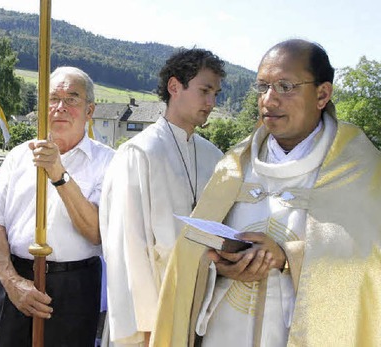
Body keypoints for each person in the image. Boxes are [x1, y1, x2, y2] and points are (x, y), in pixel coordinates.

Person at [151, 39, 381, 347]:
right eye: (263, 87)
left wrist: (288, 257)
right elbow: (190, 257)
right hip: (223, 331)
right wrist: (216, 263)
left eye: (285, 87)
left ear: (322, 94)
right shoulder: (234, 164)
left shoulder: (359, 167)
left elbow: (370, 265)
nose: (269, 101)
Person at [0, 66, 115, 346]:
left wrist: (58, 174)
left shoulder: (109, 162)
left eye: (72, 99)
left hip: (74, 287)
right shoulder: (18, 156)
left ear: (90, 110)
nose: (60, 107)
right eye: (53, 99)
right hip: (15, 279)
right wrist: (12, 283)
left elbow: (97, 233)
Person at [99, 48, 226, 346]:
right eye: (204, 90)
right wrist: (143, 328)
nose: (211, 103)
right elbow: (126, 248)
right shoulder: (138, 153)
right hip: (152, 312)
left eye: (216, 94)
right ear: (174, 87)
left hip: (203, 305)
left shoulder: (215, 157)